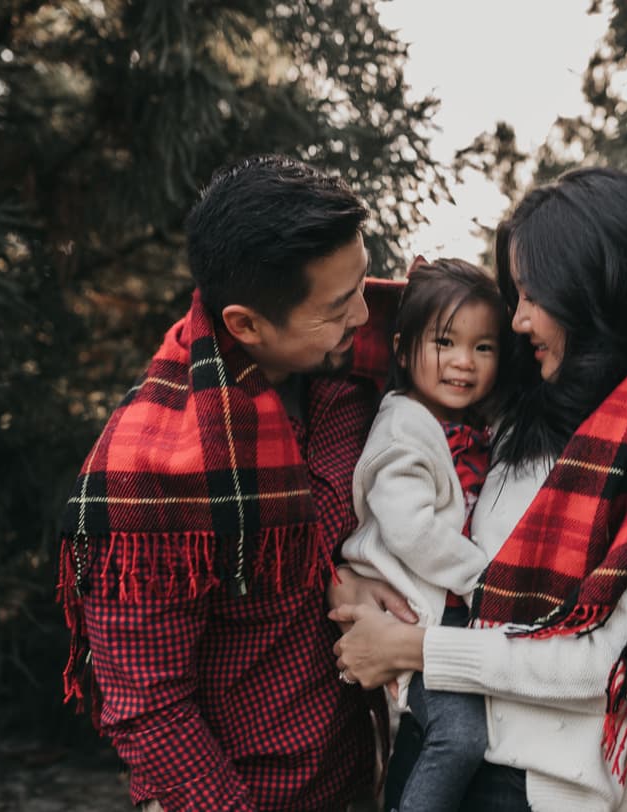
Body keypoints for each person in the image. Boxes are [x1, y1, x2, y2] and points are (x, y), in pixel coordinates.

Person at [331, 166, 627, 812]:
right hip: (432, 751)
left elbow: (606, 666)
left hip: (541, 791)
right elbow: (371, 329)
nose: (519, 321)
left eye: (532, 296)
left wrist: (415, 647)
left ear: (592, 292)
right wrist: (355, 580)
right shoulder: (517, 412)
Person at [56, 154, 415, 812]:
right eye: (339, 307)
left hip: (352, 776)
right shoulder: (150, 481)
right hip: (243, 796)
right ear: (246, 325)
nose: (366, 316)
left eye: (363, 282)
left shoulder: (338, 371)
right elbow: (150, 711)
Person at [340, 258, 509, 812]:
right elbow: (413, 531)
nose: (464, 362)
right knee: (460, 737)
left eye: (483, 347)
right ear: (404, 349)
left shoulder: (470, 425)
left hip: (449, 607)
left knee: (454, 733)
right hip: (422, 608)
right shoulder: (403, 427)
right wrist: (488, 580)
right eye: (445, 342)